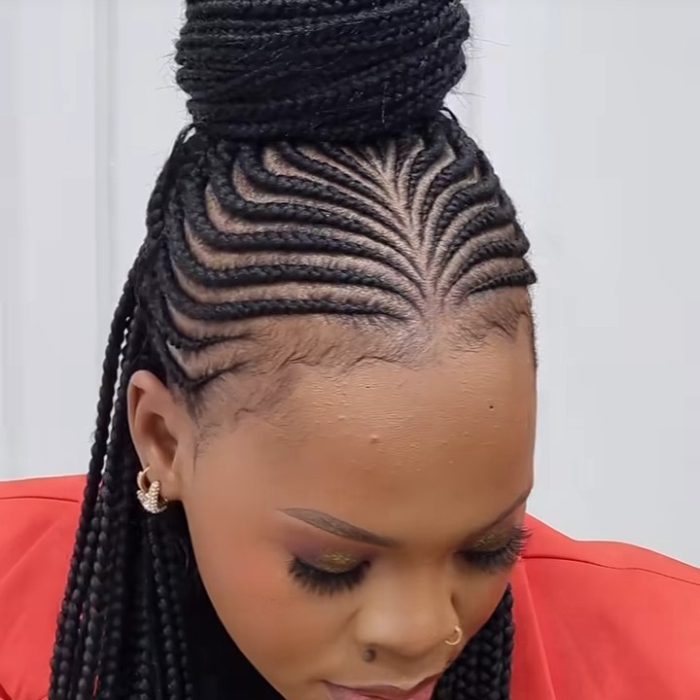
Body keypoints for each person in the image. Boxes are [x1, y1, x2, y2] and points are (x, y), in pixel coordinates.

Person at [1, 2, 698, 699]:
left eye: (489, 548)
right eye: (334, 564)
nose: (424, 632)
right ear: (161, 439)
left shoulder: (667, 664)